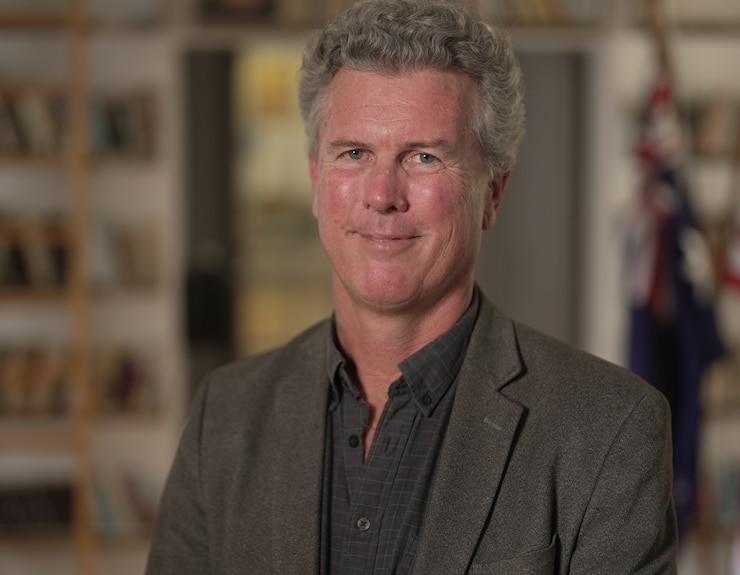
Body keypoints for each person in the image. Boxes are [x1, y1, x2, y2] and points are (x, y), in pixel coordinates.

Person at [145, 1, 678, 573]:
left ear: (493, 193)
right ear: (316, 180)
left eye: (423, 157)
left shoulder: (607, 430)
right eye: (354, 153)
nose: (382, 194)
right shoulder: (224, 416)